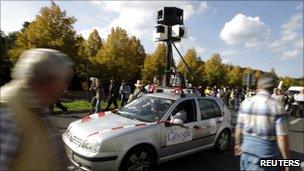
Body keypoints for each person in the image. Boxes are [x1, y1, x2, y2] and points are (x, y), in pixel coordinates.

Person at [0, 48, 73, 170]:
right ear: (48, 81)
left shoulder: (38, 106)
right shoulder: (8, 114)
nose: (64, 89)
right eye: (62, 82)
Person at [234, 73, 289, 171]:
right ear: (274, 88)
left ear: (258, 86)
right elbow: (282, 138)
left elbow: (238, 129)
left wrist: (238, 144)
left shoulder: (245, 102)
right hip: (266, 155)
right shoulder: (277, 106)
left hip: (246, 152)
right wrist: (287, 162)